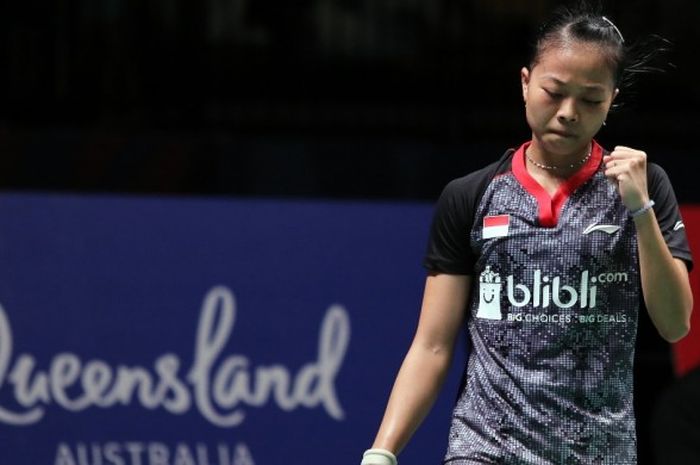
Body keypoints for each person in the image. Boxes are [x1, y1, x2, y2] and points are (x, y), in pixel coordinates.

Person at [361, 3, 694, 465]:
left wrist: (639, 208)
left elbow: (675, 323)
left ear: (612, 100)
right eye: (553, 92)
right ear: (524, 82)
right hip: (485, 447)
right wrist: (383, 450)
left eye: (591, 99)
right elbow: (433, 345)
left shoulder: (645, 184)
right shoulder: (472, 195)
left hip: (597, 452)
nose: (568, 113)